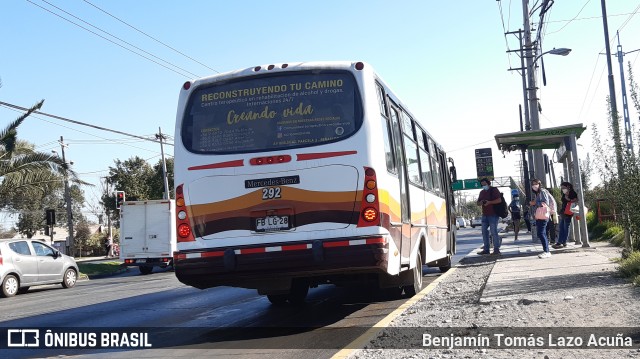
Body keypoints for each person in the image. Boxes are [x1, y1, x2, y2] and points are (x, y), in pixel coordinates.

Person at [476, 178, 502, 255]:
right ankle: (486, 249)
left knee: (494, 232)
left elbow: (499, 200)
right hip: (484, 214)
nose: (484, 186)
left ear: (488, 183)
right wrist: (480, 202)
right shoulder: (481, 192)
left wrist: (489, 202)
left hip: (493, 214)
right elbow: (478, 203)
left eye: (485, 184)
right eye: (482, 185)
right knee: (484, 232)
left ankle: (496, 249)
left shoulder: (494, 190)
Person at [529, 178, 552, 258]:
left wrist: (535, 203)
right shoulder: (538, 193)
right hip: (540, 215)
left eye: (536, 184)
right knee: (542, 233)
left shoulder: (542, 191)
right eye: (532, 184)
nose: (534, 186)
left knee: (541, 233)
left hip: (543, 215)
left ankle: (546, 251)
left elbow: (545, 202)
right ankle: (546, 250)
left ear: (539, 184)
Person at [553, 181, 578, 248]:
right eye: (562, 188)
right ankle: (560, 242)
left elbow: (575, 200)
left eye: (564, 187)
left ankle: (563, 242)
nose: (563, 189)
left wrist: (569, 199)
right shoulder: (564, 194)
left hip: (569, 213)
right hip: (563, 212)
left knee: (565, 227)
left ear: (568, 187)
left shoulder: (572, 193)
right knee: (561, 227)